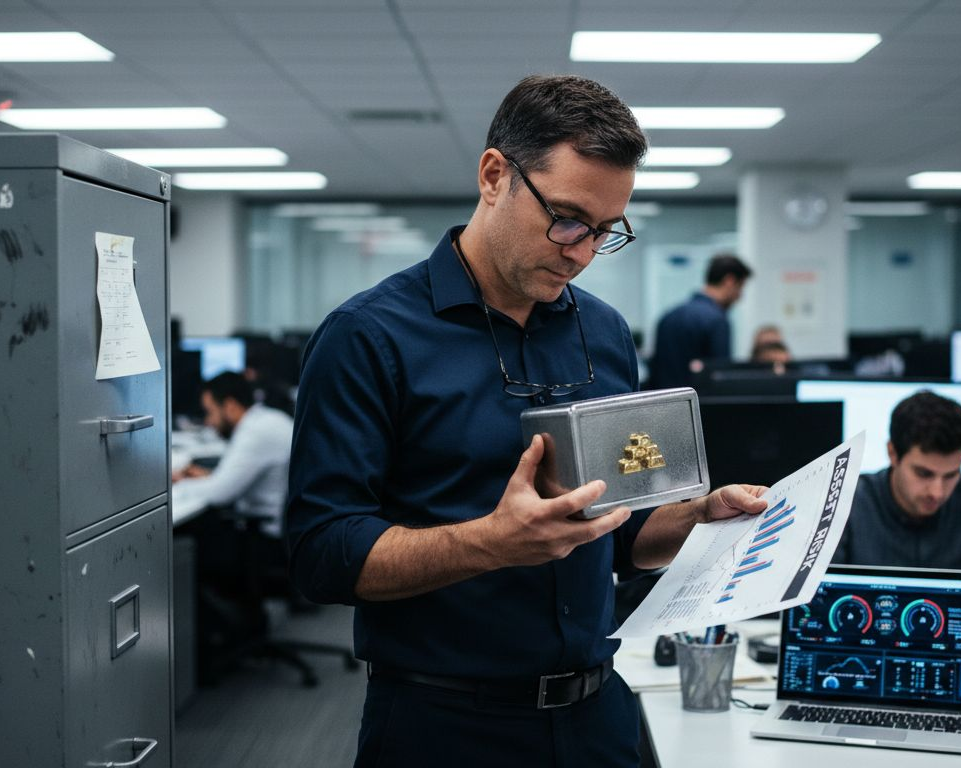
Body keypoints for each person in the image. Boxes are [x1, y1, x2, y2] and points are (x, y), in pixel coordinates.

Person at [286, 74, 769, 768]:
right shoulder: (367, 336)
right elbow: (321, 555)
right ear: (494, 176)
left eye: (605, 232)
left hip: (599, 716)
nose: (581, 251)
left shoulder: (603, 331)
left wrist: (697, 522)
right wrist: (493, 542)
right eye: (568, 218)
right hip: (443, 726)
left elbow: (621, 533)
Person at [833, 391, 961, 580]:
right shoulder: (845, 501)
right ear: (893, 453)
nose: (937, 492)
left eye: (951, 475)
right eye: (924, 474)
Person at [174, 371, 293, 538]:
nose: (208, 421)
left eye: (210, 412)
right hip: (273, 524)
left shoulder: (255, 433)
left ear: (230, 406)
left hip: (263, 537)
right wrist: (208, 476)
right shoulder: (268, 418)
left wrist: (178, 485)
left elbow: (220, 493)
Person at [647, 254, 752, 389]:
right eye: (740, 288)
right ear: (729, 281)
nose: (739, 297)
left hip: (665, 404)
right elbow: (719, 376)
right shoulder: (716, 321)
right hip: (700, 406)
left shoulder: (669, 316)